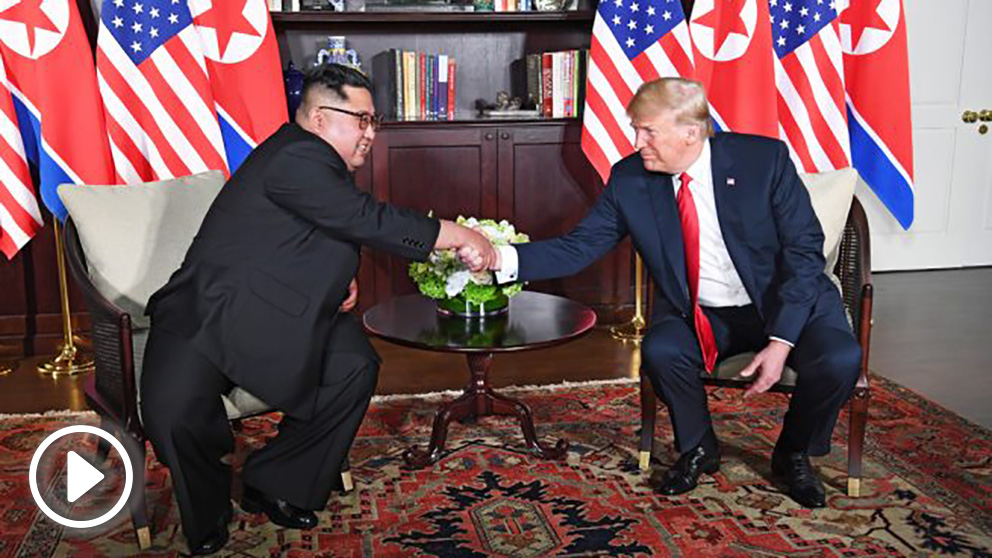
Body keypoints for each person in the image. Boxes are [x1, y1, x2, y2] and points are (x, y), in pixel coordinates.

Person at [140, 63, 497, 555]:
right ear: (320, 118)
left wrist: (337, 278)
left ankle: (275, 479)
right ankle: (209, 512)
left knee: (355, 366)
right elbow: (362, 219)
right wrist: (459, 235)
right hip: (209, 313)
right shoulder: (297, 155)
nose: (371, 134)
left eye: (375, 121)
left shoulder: (315, 163)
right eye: (362, 120)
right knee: (174, 413)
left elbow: (312, 230)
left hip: (283, 311)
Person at [489, 77, 861, 509]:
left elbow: (803, 253)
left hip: (783, 301)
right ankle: (700, 447)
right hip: (701, 311)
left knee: (840, 359)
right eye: (635, 129)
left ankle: (794, 451)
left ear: (691, 131)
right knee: (662, 351)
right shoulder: (630, 178)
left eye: (648, 130)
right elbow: (580, 246)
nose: (637, 141)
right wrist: (499, 259)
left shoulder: (764, 160)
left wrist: (781, 341)